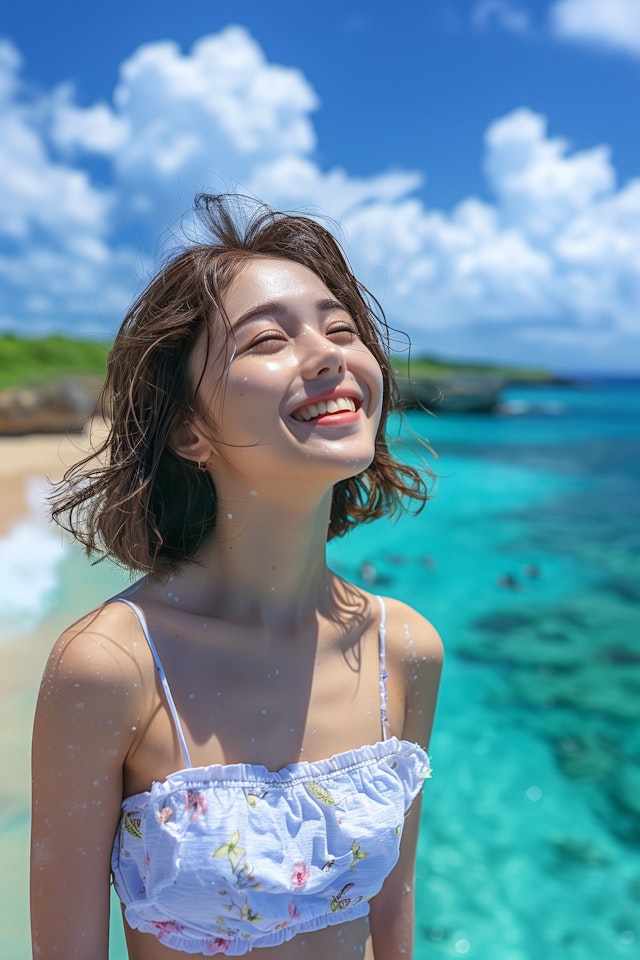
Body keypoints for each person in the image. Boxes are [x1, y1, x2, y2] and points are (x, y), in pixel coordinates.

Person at [30, 194, 443, 960]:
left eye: (342, 329)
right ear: (190, 430)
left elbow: (392, 920)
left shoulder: (405, 650)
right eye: (267, 341)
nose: (327, 354)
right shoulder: (113, 665)